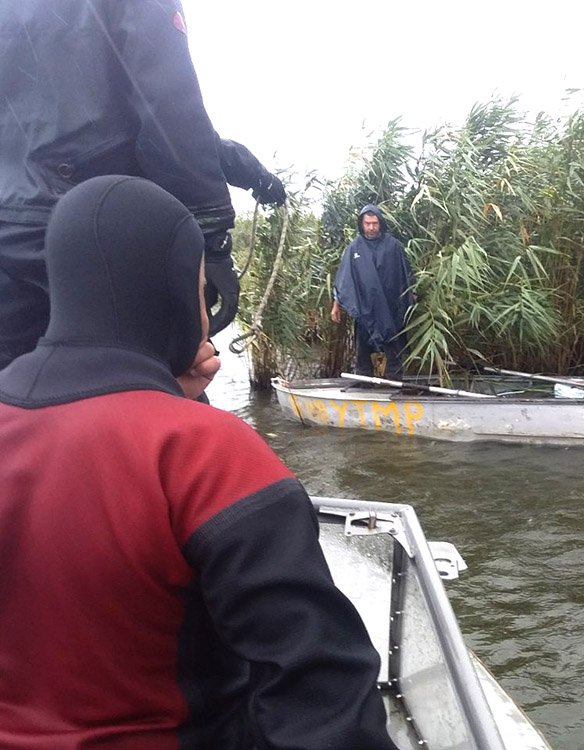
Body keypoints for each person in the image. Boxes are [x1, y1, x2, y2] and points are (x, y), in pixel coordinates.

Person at [0, 176, 398, 749]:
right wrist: (174, 413)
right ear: (174, 291)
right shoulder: (204, 454)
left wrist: (160, 393)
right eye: (202, 292)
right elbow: (321, 700)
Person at [0, 0, 284, 370]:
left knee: (18, 393)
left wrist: (249, 170)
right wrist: (212, 236)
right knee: (162, 385)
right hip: (96, 232)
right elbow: (168, 108)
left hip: (11, 232)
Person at [330, 204, 415, 378]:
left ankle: (395, 384)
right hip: (365, 309)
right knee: (362, 352)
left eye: (374, 223)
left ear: (380, 223)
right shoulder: (354, 248)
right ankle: (364, 386)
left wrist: (411, 299)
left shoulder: (394, 247)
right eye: (367, 223)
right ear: (361, 224)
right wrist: (336, 305)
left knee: (394, 350)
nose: (371, 227)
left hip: (390, 309)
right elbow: (344, 279)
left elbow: (406, 276)